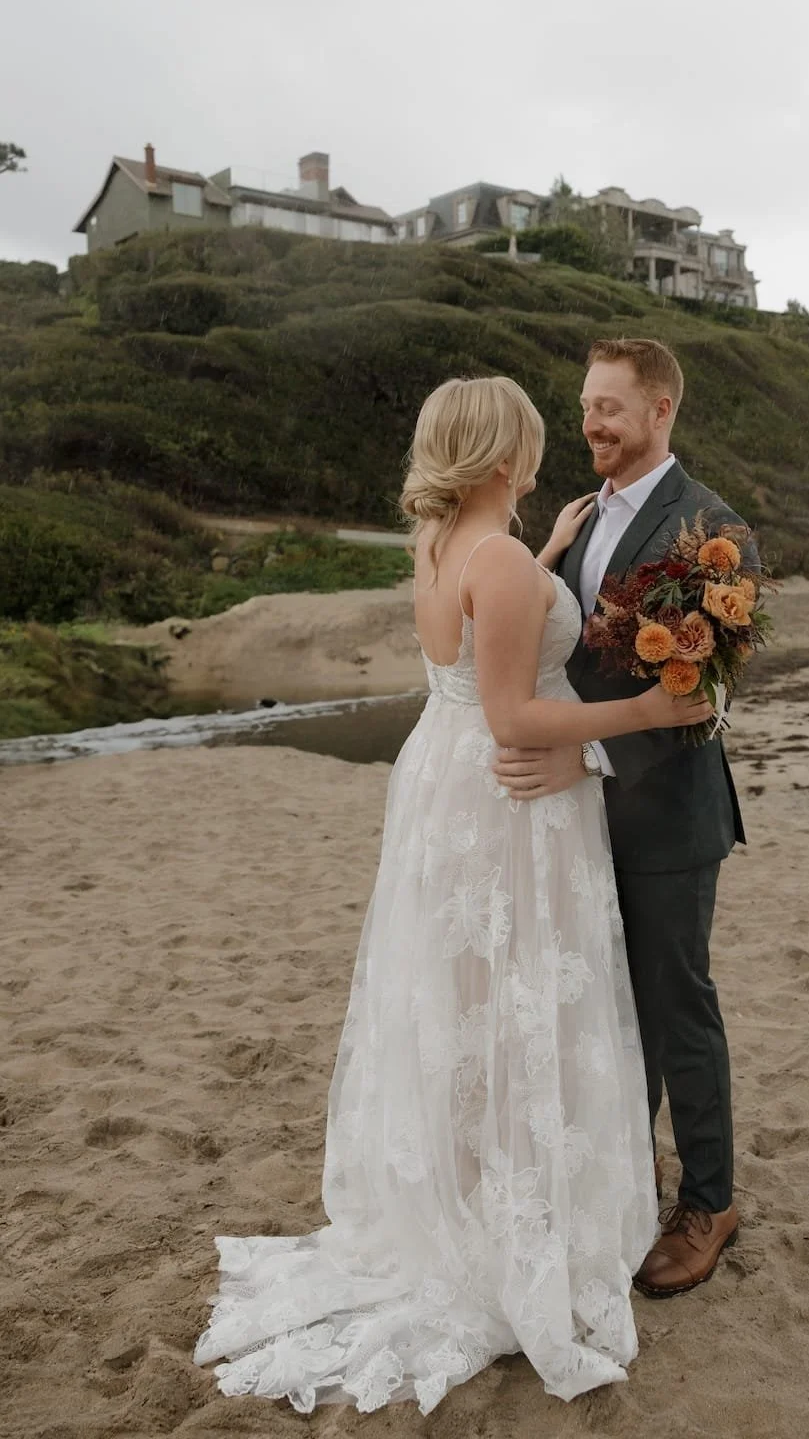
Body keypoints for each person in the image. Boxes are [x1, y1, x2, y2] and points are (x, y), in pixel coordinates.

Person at [193, 375, 713, 1415]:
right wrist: (652, 706)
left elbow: (484, 633)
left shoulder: (436, 546)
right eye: (529, 436)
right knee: (514, 990)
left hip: (442, 782)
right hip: (510, 797)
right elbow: (517, 716)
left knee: (465, 996)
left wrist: (549, 561)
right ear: (495, 457)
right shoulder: (502, 561)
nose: (542, 450)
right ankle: (509, 1215)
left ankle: (467, 1188)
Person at [495, 338, 758, 1299]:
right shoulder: (575, 515)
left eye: (610, 406)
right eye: (584, 406)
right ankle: (621, 1179)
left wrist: (587, 751)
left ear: (661, 413)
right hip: (573, 816)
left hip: (665, 817)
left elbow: (704, 697)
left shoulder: (713, 532)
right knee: (600, 1006)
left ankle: (711, 1200)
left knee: (674, 1006)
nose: (592, 423)